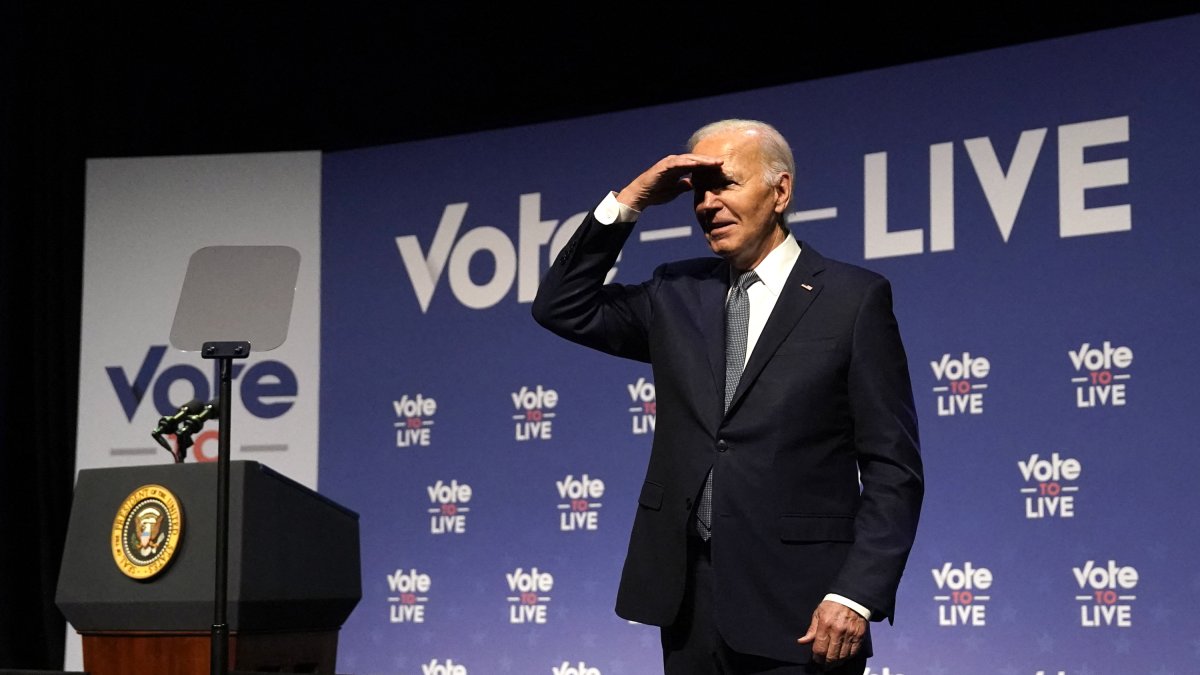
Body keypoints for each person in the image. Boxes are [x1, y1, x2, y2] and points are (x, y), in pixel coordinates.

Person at [532, 119, 923, 674]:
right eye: (700, 190)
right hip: (688, 599)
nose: (707, 204)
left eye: (727, 185)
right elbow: (560, 307)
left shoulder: (853, 300)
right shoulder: (676, 292)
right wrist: (631, 199)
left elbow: (893, 468)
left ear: (780, 191)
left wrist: (856, 594)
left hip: (806, 608)